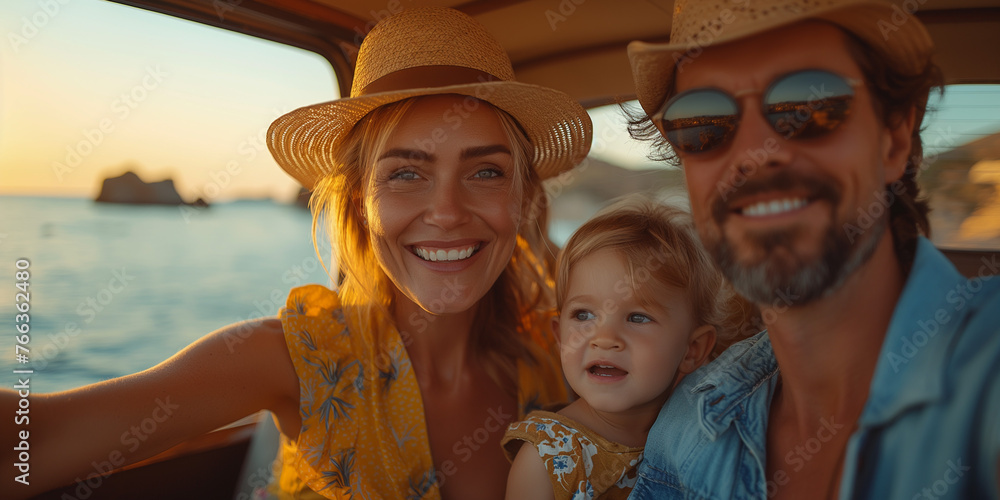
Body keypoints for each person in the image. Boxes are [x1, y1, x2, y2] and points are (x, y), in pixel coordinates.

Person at [0, 7, 592, 500]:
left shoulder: (561, 354)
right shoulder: (297, 358)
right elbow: (35, 439)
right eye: (406, 174)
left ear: (524, 200)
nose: (446, 212)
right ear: (359, 203)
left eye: (486, 171)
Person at [624, 0, 1000, 498]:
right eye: (704, 122)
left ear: (894, 140)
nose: (755, 154)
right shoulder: (689, 429)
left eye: (807, 104)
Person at [501, 195, 756, 499]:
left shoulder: (703, 436)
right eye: (583, 315)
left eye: (637, 317)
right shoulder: (547, 458)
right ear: (559, 336)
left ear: (693, 349)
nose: (605, 337)